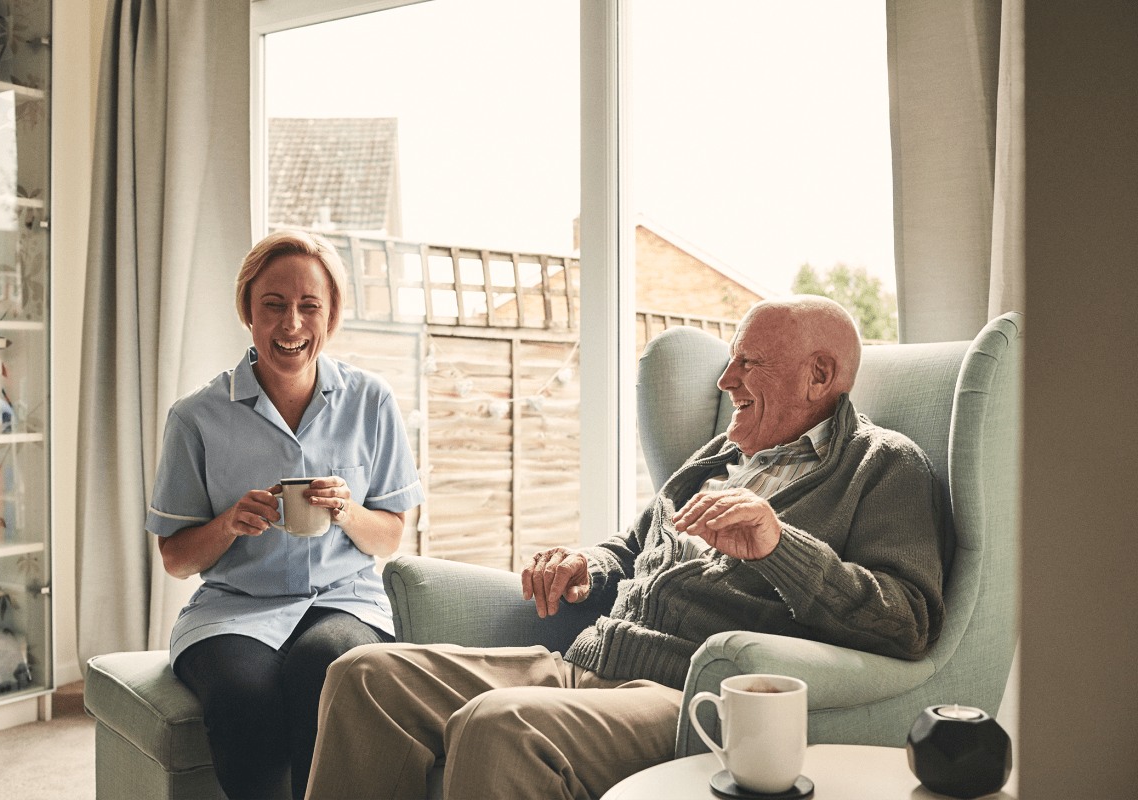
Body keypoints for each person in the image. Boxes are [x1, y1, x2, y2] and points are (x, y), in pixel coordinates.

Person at [304, 295, 946, 800]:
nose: (726, 381)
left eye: (749, 363)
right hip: (586, 663)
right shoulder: (719, 456)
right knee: (364, 676)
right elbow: (635, 542)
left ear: (820, 375)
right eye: (730, 360)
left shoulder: (882, 466)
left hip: (688, 694)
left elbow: (909, 621)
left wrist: (778, 545)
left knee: (501, 726)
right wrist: (589, 565)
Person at [145, 230, 425, 800]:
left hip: (343, 600)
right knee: (243, 697)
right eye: (273, 305)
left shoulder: (372, 401)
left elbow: (392, 534)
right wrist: (228, 524)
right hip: (233, 609)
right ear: (248, 310)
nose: (291, 324)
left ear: (331, 315)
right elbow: (175, 558)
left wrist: (345, 510)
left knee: (326, 668)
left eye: (308, 306)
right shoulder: (196, 417)